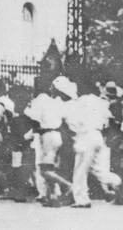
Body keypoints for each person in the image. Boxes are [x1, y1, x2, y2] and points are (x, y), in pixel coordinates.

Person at [64, 81, 121, 208]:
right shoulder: (99, 102)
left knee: (80, 170)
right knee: (100, 171)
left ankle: (82, 200)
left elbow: (72, 122)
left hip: (85, 136)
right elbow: (109, 119)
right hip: (98, 135)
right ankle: (119, 182)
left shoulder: (78, 102)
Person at [25, 76, 75, 207]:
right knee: (50, 168)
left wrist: (32, 134)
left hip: (46, 135)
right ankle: (53, 197)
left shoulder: (39, 100)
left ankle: (68, 186)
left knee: (44, 170)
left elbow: (35, 120)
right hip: (56, 135)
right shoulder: (55, 101)